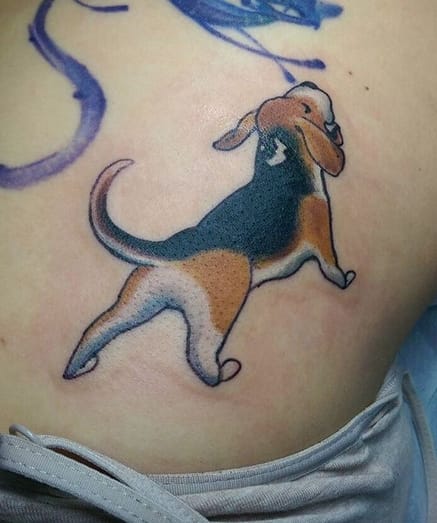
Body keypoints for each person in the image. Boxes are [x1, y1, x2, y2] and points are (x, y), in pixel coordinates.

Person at [0, 0, 436, 520]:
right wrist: (335, 271)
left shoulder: (263, 130)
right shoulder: (311, 196)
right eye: (324, 121)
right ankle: (204, 363)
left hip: (169, 263)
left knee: (122, 313)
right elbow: (322, 244)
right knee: (211, 327)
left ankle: (82, 356)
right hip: (181, 483)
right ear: (310, 130)